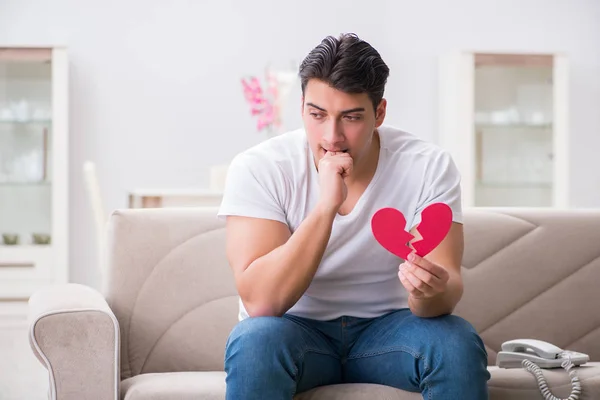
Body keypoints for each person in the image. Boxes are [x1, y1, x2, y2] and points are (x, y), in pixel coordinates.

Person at [217, 33, 490, 399]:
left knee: (456, 342)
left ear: (379, 113)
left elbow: (447, 291)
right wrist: (326, 206)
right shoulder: (260, 168)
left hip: (393, 330)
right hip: (294, 330)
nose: (332, 136)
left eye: (351, 117)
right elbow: (262, 303)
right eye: (317, 115)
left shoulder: (427, 166)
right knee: (254, 341)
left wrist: (428, 293)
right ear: (301, 107)